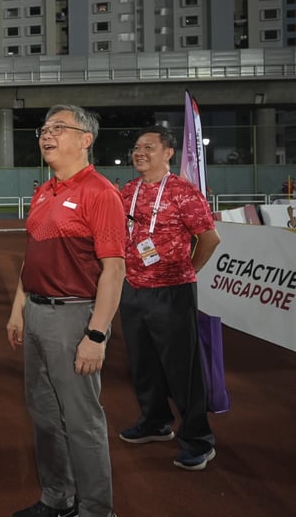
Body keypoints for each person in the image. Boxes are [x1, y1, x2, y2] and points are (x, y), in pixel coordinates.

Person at [6, 104, 125, 517]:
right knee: (43, 415)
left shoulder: (100, 192)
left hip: (74, 318)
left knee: (81, 420)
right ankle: (57, 498)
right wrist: (19, 309)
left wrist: (96, 335)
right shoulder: (44, 192)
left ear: (85, 139)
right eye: (44, 128)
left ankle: (96, 510)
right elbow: (33, 257)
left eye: (59, 127)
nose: (47, 134)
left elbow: (114, 270)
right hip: (37, 313)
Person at [118, 126, 221, 472]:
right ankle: (155, 422)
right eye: (137, 147)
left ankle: (198, 439)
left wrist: (188, 271)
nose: (140, 152)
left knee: (182, 369)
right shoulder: (129, 190)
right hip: (133, 288)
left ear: (168, 153)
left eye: (149, 147)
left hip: (172, 291)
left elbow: (210, 239)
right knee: (143, 362)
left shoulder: (183, 192)